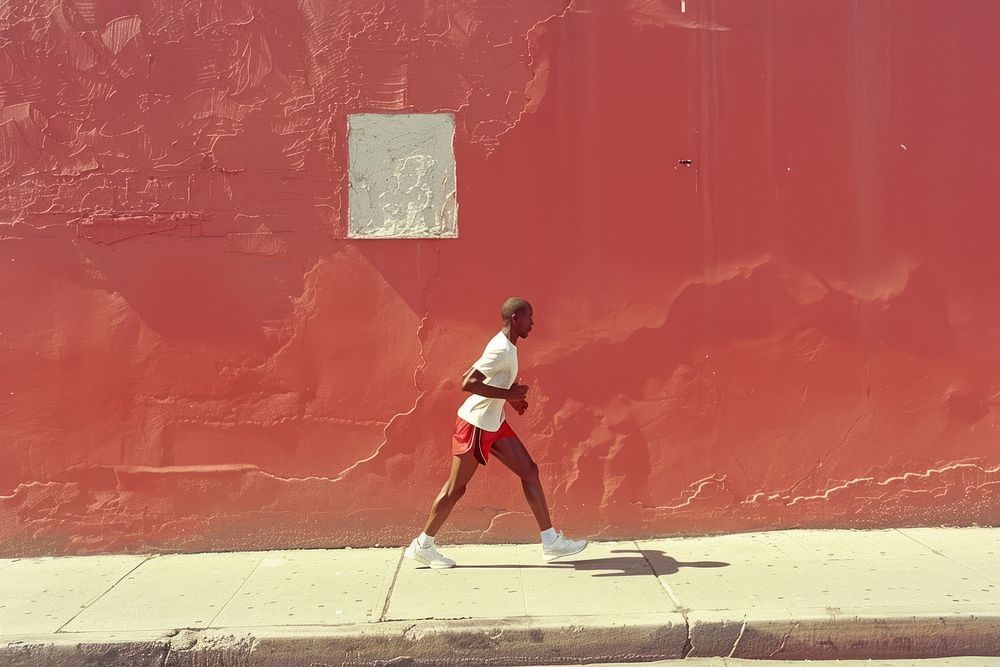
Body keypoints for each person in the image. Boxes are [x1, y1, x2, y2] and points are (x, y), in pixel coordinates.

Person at [405, 297, 588, 568]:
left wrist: (511, 399)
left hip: (493, 422)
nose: (533, 323)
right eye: (529, 317)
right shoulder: (501, 348)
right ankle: (423, 545)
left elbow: (486, 378)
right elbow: (468, 381)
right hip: (476, 424)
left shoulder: (508, 347)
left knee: (529, 470)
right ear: (515, 319)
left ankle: (550, 542)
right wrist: (509, 393)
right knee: (456, 489)